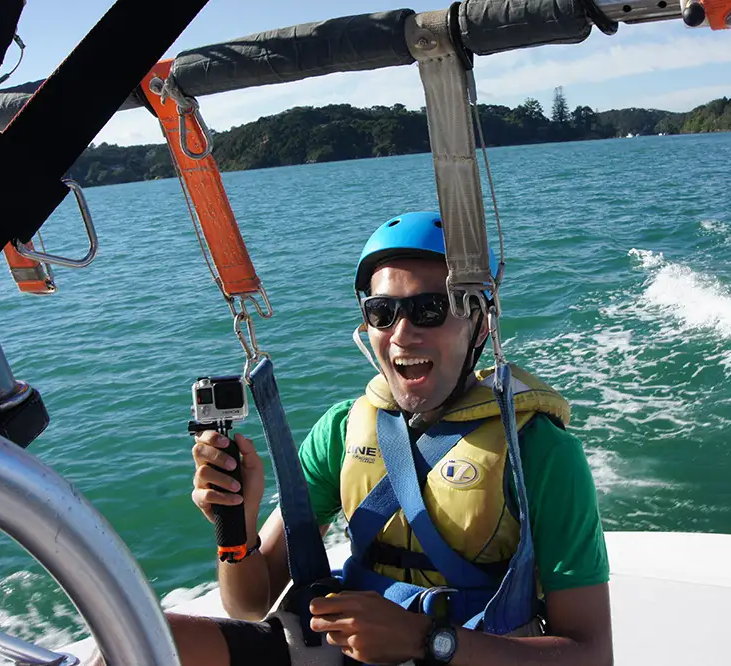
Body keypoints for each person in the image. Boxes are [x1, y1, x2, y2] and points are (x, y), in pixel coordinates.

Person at [90, 211, 612, 666]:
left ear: (479, 324)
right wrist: (236, 522)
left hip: (476, 650)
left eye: (430, 309)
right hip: (346, 650)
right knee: (126, 643)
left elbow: (591, 654)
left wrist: (426, 640)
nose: (403, 334)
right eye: (382, 313)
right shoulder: (343, 430)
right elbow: (250, 603)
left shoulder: (539, 450)